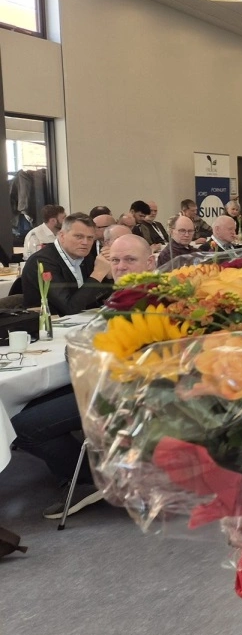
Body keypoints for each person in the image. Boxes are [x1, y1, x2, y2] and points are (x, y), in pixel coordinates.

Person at [18, 235, 157, 520]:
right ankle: (80, 473)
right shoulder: (128, 293)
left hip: (125, 392)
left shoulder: (149, 299)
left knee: (22, 426)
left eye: (130, 260)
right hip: (111, 381)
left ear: (151, 261)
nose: (120, 266)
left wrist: (79, 355)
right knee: (27, 403)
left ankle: (91, 481)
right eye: (115, 260)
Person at [21, 213, 112, 315]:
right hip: (45, 325)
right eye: (79, 236)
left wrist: (109, 276)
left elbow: (102, 299)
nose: (85, 242)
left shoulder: (86, 257)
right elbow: (69, 309)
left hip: (83, 322)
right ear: (62, 236)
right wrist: (98, 273)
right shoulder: (42, 261)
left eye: (90, 238)